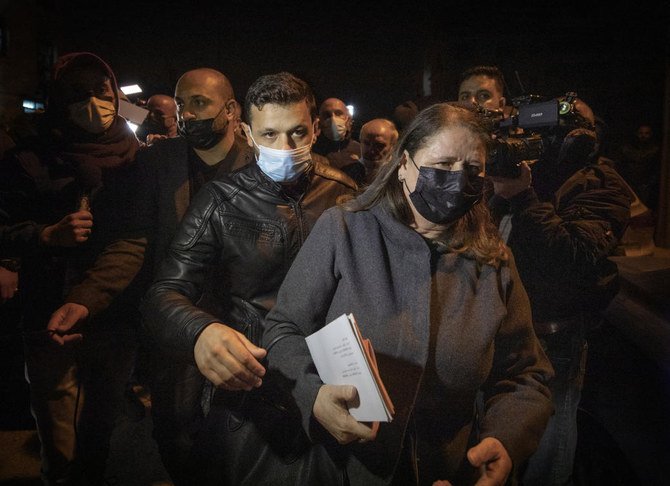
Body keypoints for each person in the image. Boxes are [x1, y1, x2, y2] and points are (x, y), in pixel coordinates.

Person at [261, 102, 554, 485]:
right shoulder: (345, 229)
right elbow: (283, 329)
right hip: (343, 470)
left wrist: (504, 439)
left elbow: (525, 375)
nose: (455, 180)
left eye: (471, 170)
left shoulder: (493, 260)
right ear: (403, 165)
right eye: (442, 165)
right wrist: (312, 394)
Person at [140, 71, 357, 484]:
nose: (286, 148)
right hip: (254, 383)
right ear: (248, 132)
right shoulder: (220, 201)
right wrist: (201, 332)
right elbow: (165, 293)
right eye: (270, 134)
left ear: (314, 128)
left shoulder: (345, 193)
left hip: (330, 375)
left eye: (297, 132)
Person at [487, 96, 631, 485]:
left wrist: (522, 197)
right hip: (499, 327)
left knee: (548, 438)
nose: (540, 143)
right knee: (498, 431)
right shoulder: (522, 173)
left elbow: (574, 260)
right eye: (533, 133)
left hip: (555, 335)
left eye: (556, 132)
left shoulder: (603, 184)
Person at [21, 51, 146, 485]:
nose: (94, 102)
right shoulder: (29, 157)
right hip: (48, 318)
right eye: (79, 94)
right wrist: (44, 235)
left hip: (112, 317)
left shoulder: (135, 159)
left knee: (101, 430)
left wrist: (86, 299)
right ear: (58, 98)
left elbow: (133, 240)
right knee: (58, 440)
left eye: (102, 91)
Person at [132, 67, 253, 486]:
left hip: (240, 326)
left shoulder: (259, 166)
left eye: (200, 103)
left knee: (235, 435)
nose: (187, 114)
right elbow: (134, 242)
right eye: (182, 105)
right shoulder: (157, 162)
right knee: (174, 431)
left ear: (231, 109)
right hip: (175, 327)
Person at [614, 122, 661, 211]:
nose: (643, 136)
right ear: (636, 134)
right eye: (641, 133)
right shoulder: (627, 149)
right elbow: (619, 166)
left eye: (646, 133)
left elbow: (657, 169)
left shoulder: (655, 151)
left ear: (651, 135)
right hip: (629, 184)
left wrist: (649, 183)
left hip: (647, 185)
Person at [313, 97, 361, 171]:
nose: (333, 119)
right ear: (320, 120)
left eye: (338, 113)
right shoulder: (312, 149)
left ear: (347, 119)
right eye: (327, 115)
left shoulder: (358, 149)